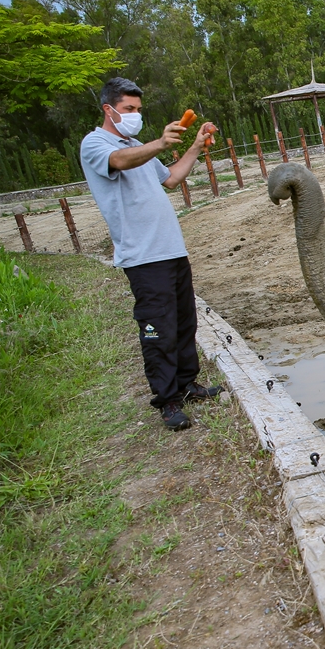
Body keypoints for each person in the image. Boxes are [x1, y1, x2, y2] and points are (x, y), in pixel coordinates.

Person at [81, 77, 223, 430]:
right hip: (143, 256)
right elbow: (119, 161)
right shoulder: (96, 144)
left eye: (138, 110)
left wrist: (195, 146)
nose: (135, 115)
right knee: (158, 330)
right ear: (108, 109)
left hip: (171, 249)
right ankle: (168, 400)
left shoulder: (136, 145)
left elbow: (171, 179)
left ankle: (187, 384)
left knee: (184, 322)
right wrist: (159, 142)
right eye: (129, 109)